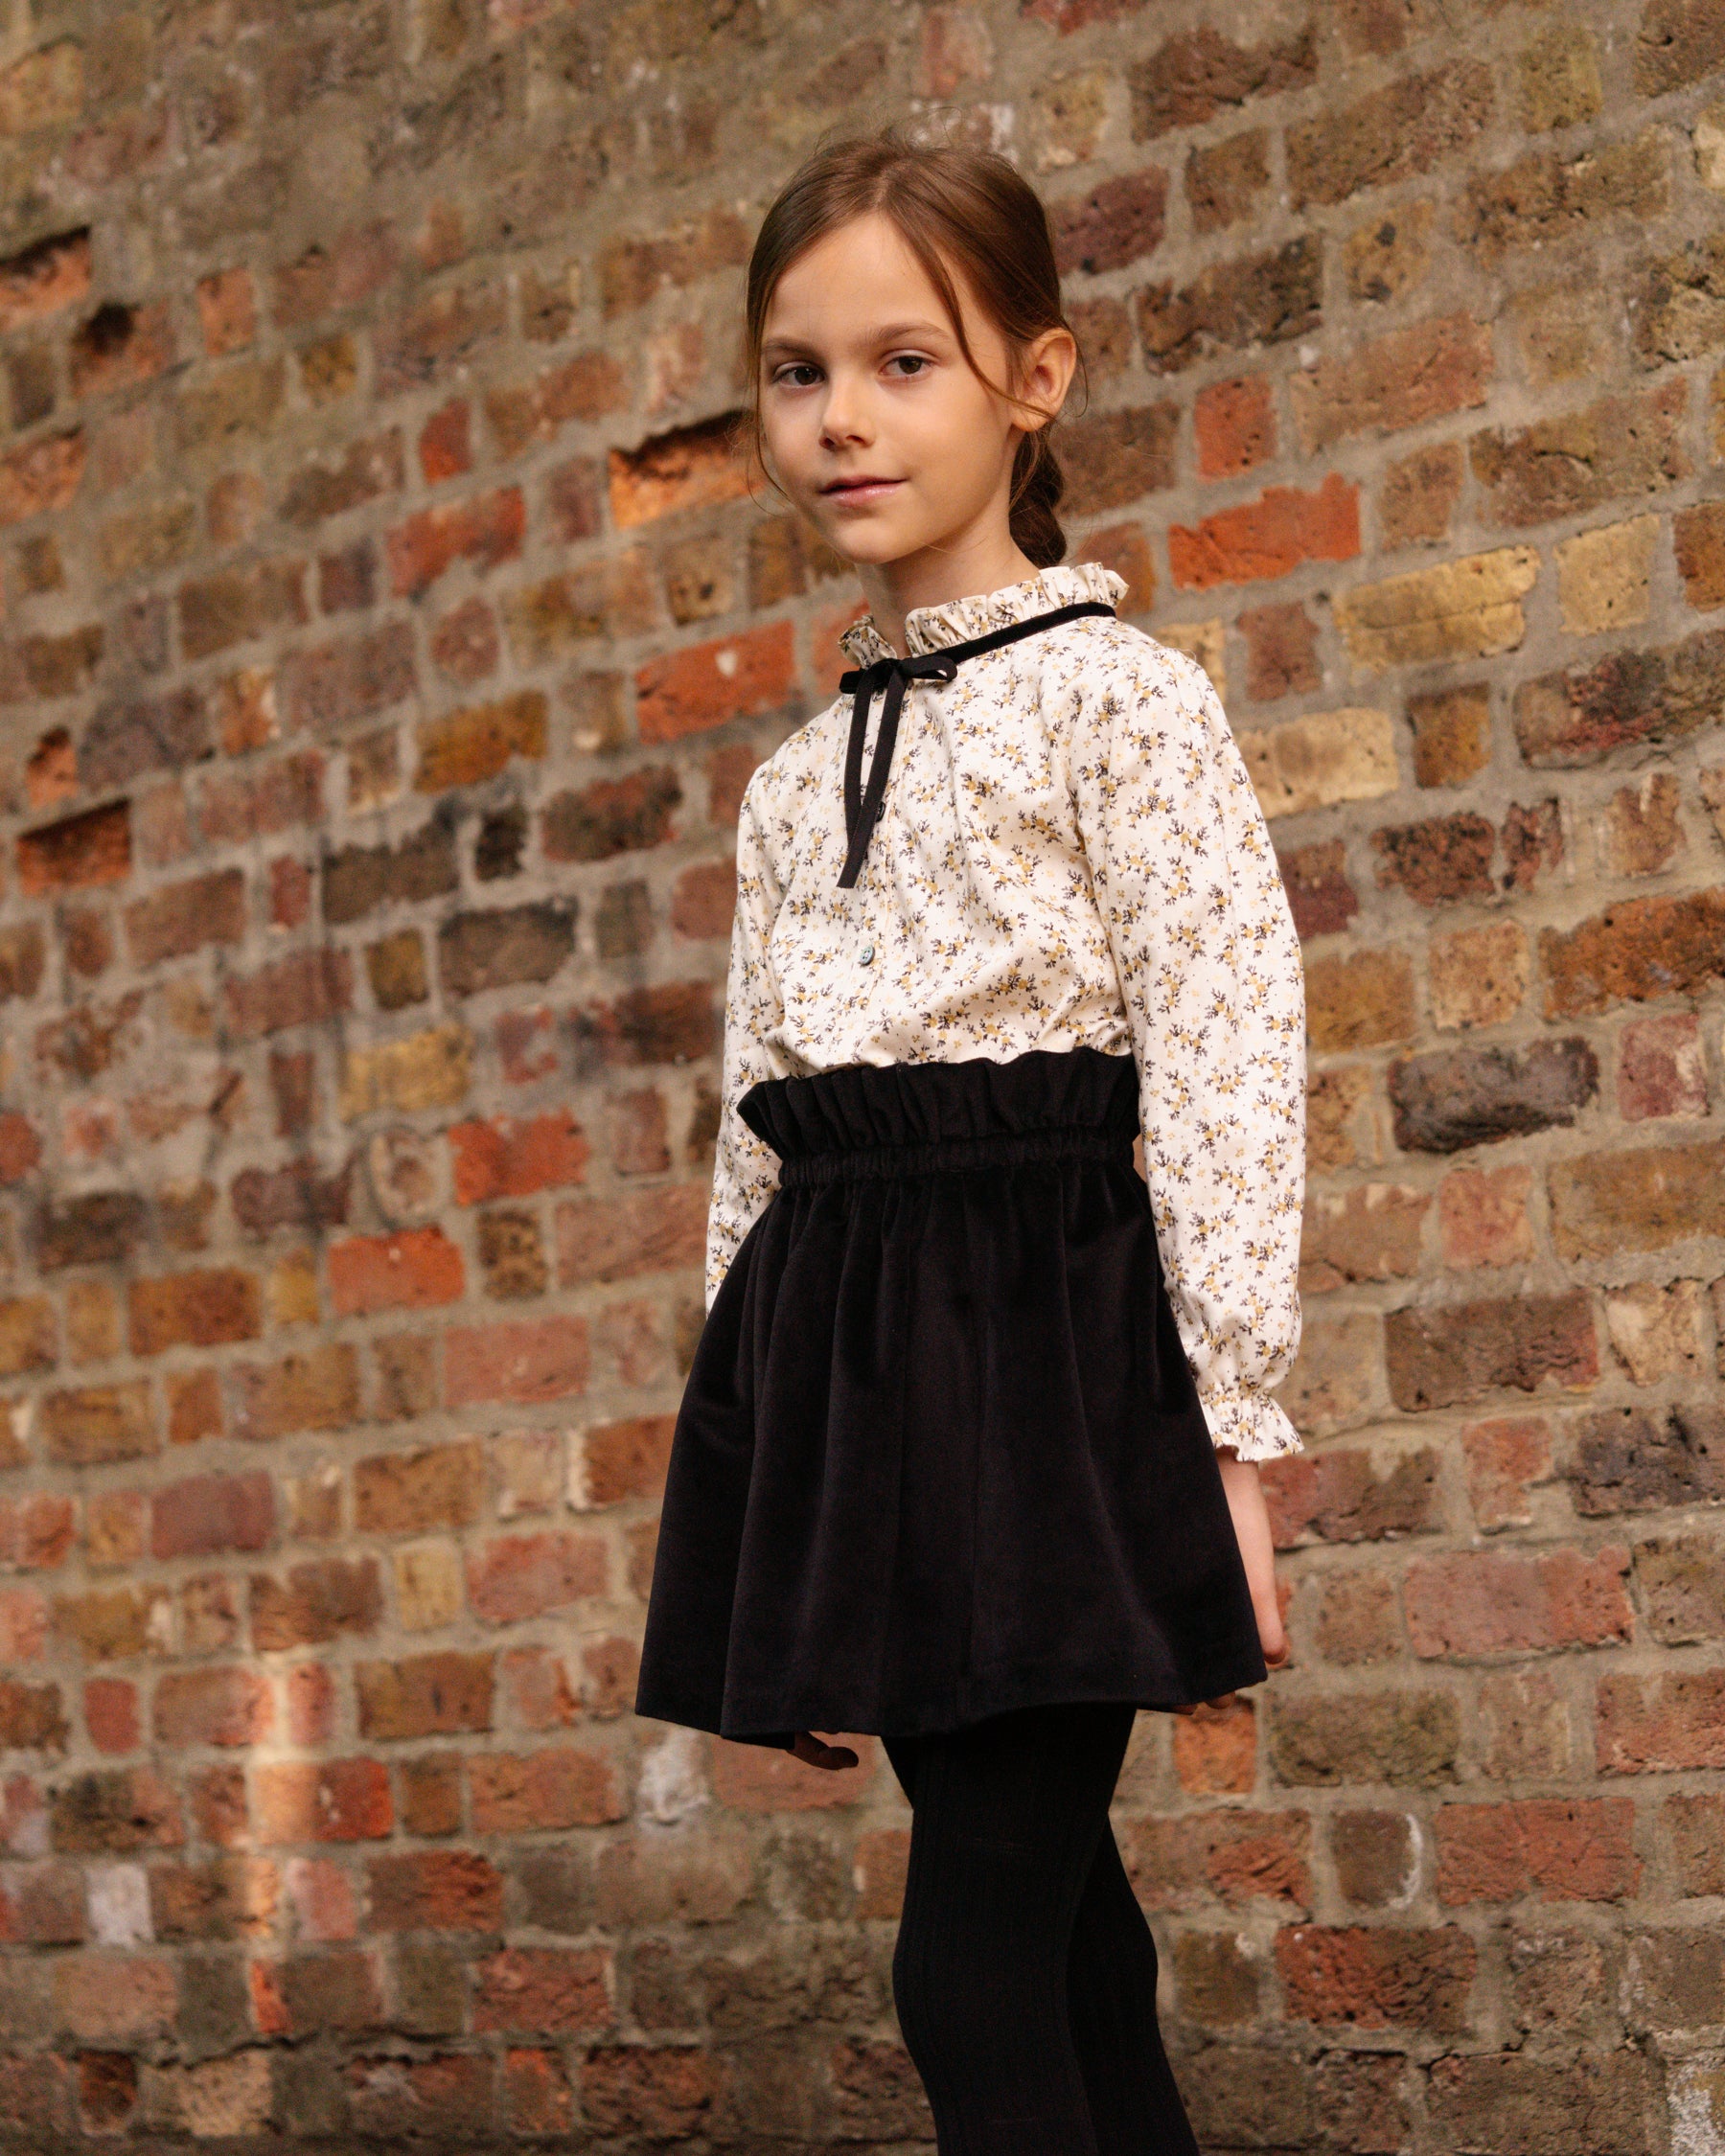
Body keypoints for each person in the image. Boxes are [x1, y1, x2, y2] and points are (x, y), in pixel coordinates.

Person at [634, 124, 1306, 2154]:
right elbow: (757, 1144)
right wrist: (757, 1482)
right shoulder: (785, 780)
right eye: (799, 370)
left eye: (905, 362)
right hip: (858, 1376)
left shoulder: (1125, 705)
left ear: (1037, 377)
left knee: (973, 1960)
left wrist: (1241, 1442)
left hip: (1057, 1372)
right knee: (1065, 1923)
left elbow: (1226, 1059)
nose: (844, 420)